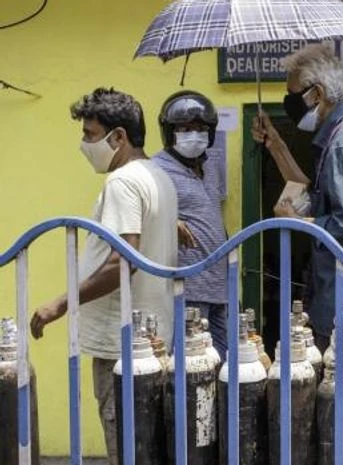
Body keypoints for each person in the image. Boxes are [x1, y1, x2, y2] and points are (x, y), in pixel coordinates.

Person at [29, 88, 177, 465]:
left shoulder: (122, 182)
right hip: (155, 336)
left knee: (125, 444)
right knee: (148, 445)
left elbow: (122, 260)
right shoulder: (158, 175)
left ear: (119, 137)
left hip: (122, 342)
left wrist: (60, 303)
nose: (84, 144)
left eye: (90, 135)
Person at [251, 43, 343, 360]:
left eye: (292, 95)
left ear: (316, 94)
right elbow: (315, 197)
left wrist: (298, 223)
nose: (288, 104)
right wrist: (276, 147)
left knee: (342, 404)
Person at [152, 90, 229, 360]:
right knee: (192, 369)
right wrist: (168, 221)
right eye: (185, 129)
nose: (194, 135)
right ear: (170, 132)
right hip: (188, 290)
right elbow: (141, 210)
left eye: (200, 128)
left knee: (226, 368)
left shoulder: (209, 168)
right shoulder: (156, 169)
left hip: (222, 289)